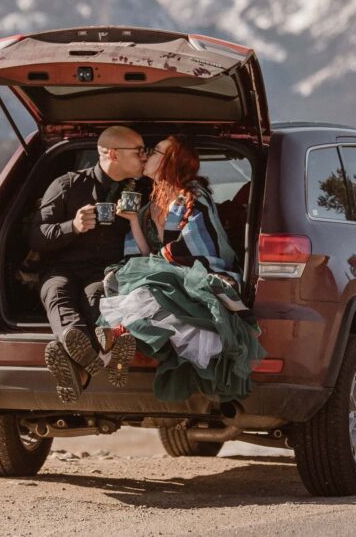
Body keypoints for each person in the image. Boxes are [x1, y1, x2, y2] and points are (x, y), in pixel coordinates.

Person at [101, 134, 265, 402]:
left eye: (154, 151)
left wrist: (159, 260)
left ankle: (119, 337)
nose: (146, 156)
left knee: (147, 285)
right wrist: (133, 221)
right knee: (132, 279)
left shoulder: (193, 197)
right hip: (161, 274)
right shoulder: (149, 205)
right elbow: (142, 255)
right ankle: (119, 340)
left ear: (171, 162)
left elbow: (198, 250)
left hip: (194, 273)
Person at [29, 125, 147, 403]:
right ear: (112, 154)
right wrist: (73, 226)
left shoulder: (143, 189)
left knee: (97, 298)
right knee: (58, 294)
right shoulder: (67, 185)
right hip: (61, 268)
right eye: (139, 151)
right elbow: (37, 236)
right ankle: (88, 354)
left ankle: (80, 371)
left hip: (104, 271)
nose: (144, 157)